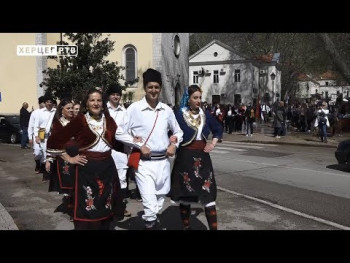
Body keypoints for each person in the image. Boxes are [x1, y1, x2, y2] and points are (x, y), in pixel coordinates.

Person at [46, 88, 124, 230]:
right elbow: (54, 142)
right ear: (86, 104)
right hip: (86, 169)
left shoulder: (109, 120)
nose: (96, 103)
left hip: (107, 168)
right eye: (92, 100)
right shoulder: (80, 120)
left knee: (106, 205)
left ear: (103, 103)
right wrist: (69, 158)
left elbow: (118, 140)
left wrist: (135, 142)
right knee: (88, 207)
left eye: (99, 100)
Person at [116, 68, 183, 230]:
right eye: (150, 87)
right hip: (144, 164)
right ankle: (150, 223)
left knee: (159, 201)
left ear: (160, 88)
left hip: (164, 164)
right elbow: (119, 132)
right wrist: (138, 144)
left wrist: (174, 144)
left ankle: (151, 221)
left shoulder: (166, 110)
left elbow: (178, 131)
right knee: (149, 204)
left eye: (156, 87)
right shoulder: (134, 109)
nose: (153, 90)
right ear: (145, 88)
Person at [169, 85, 223, 230]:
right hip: (184, 158)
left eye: (200, 97)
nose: (199, 101)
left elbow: (218, 129)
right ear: (188, 99)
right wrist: (172, 139)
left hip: (203, 158)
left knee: (208, 195)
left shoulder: (205, 114)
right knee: (185, 196)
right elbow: (169, 130)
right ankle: (187, 227)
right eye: (195, 98)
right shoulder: (179, 114)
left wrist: (213, 144)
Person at [106, 83, 132, 218]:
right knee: (106, 179)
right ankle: (106, 207)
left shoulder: (124, 111)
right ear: (109, 96)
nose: (116, 97)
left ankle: (121, 207)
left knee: (122, 179)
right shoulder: (104, 110)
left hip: (120, 149)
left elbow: (128, 130)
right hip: (105, 148)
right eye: (113, 94)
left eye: (118, 95)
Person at [33, 94, 56, 182]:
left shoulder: (55, 111)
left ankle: (49, 174)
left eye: (50, 102)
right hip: (42, 135)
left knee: (51, 154)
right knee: (43, 154)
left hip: (52, 135)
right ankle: (45, 173)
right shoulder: (40, 112)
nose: (49, 103)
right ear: (45, 103)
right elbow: (36, 125)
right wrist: (36, 136)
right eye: (47, 102)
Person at [28, 96, 45, 173]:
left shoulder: (49, 112)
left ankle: (42, 167)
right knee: (37, 152)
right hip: (36, 135)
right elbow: (30, 125)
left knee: (44, 153)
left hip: (45, 135)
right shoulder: (35, 113)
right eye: (43, 103)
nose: (44, 104)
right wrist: (30, 137)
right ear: (39, 103)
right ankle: (38, 164)